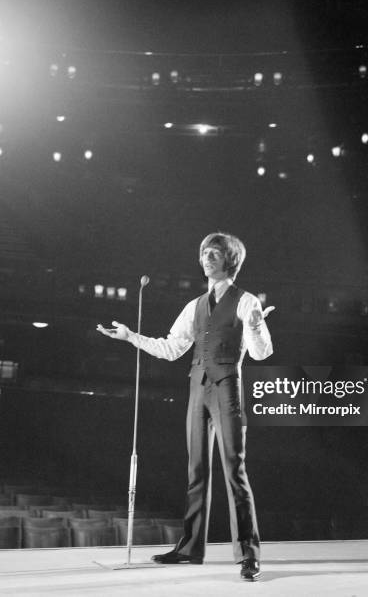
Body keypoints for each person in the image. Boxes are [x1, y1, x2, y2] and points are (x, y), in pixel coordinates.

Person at [97, 232, 274, 581]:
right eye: (205, 252)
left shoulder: (246, 301)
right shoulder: (194, 306)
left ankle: (249, 554)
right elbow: (171, 348)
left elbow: (261, 352)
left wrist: (255, 326)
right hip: (197, 388)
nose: (207, 258)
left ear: (230, 261)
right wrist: (131, 337)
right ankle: (191, 548)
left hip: (227, 389)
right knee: (196, 472)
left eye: (215, 253)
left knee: (234, 471)